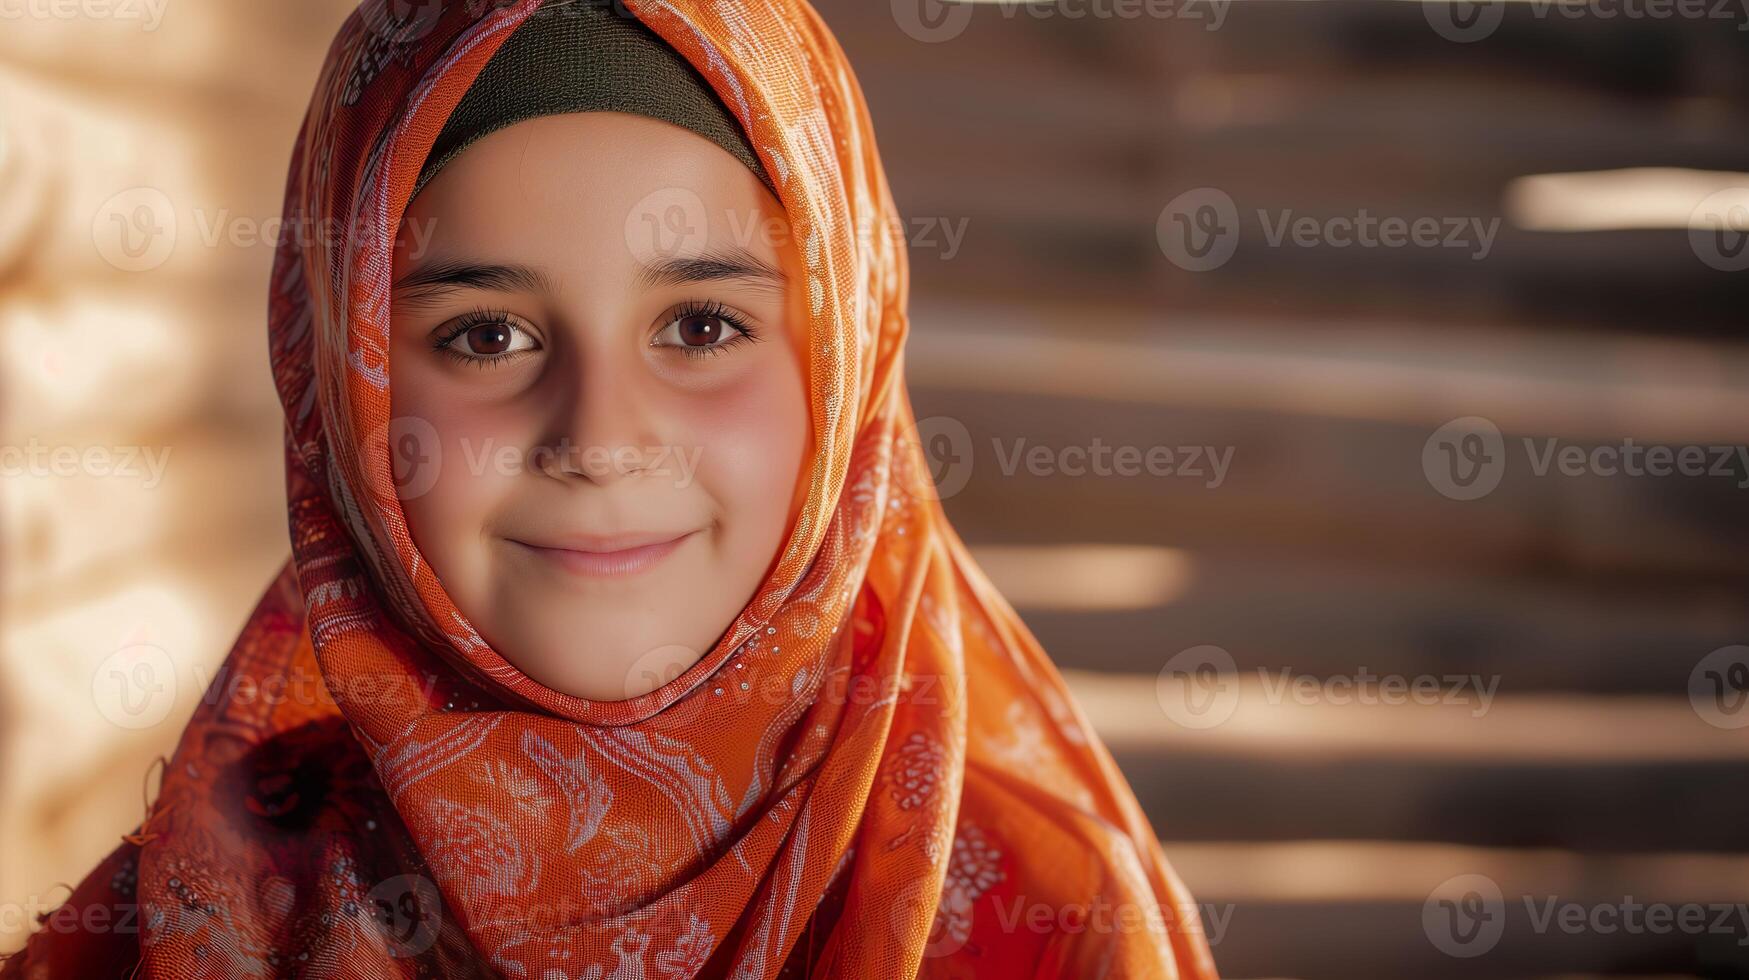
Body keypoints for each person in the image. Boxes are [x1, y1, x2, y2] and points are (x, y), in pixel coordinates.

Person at [1, 1, 1219, 977]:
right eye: (486, 335)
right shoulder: (195, 917)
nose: (598, 434)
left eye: (699, 323)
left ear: (845, 368)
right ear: (345, 387)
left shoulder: (1045, 926)